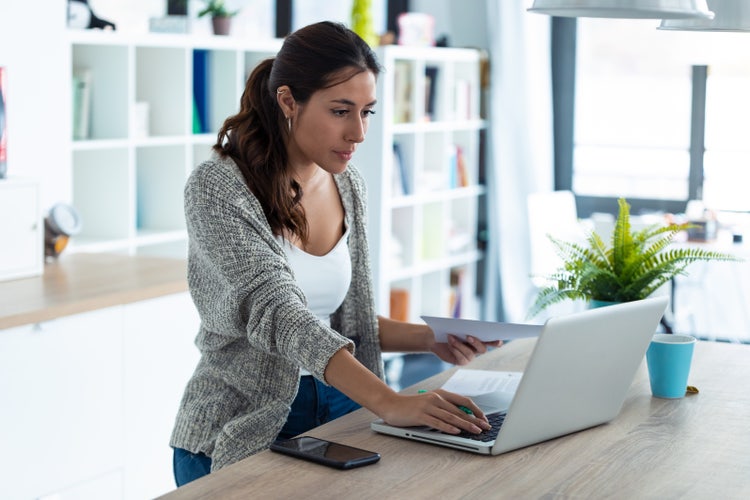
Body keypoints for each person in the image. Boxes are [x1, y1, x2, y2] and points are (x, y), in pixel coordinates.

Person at [170, 21, 501, 486]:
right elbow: (281, 315)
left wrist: (430, 338)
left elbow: (341, 323)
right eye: (341, 111)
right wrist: (390, 400)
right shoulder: (219, 189)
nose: (359, 132)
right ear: (288, 101)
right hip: (246, 423)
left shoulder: (349, 185)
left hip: (343, 411)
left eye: (367, 111)